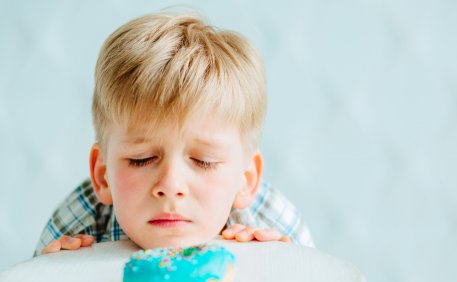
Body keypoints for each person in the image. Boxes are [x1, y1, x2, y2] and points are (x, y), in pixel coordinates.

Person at [33, 12, 314, 257]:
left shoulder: (274, 225)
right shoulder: (76, 227)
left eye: (204, 161)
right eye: (141, 159)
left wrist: (282, 278)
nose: (171, 185)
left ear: (246, 180)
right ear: (102, 174)